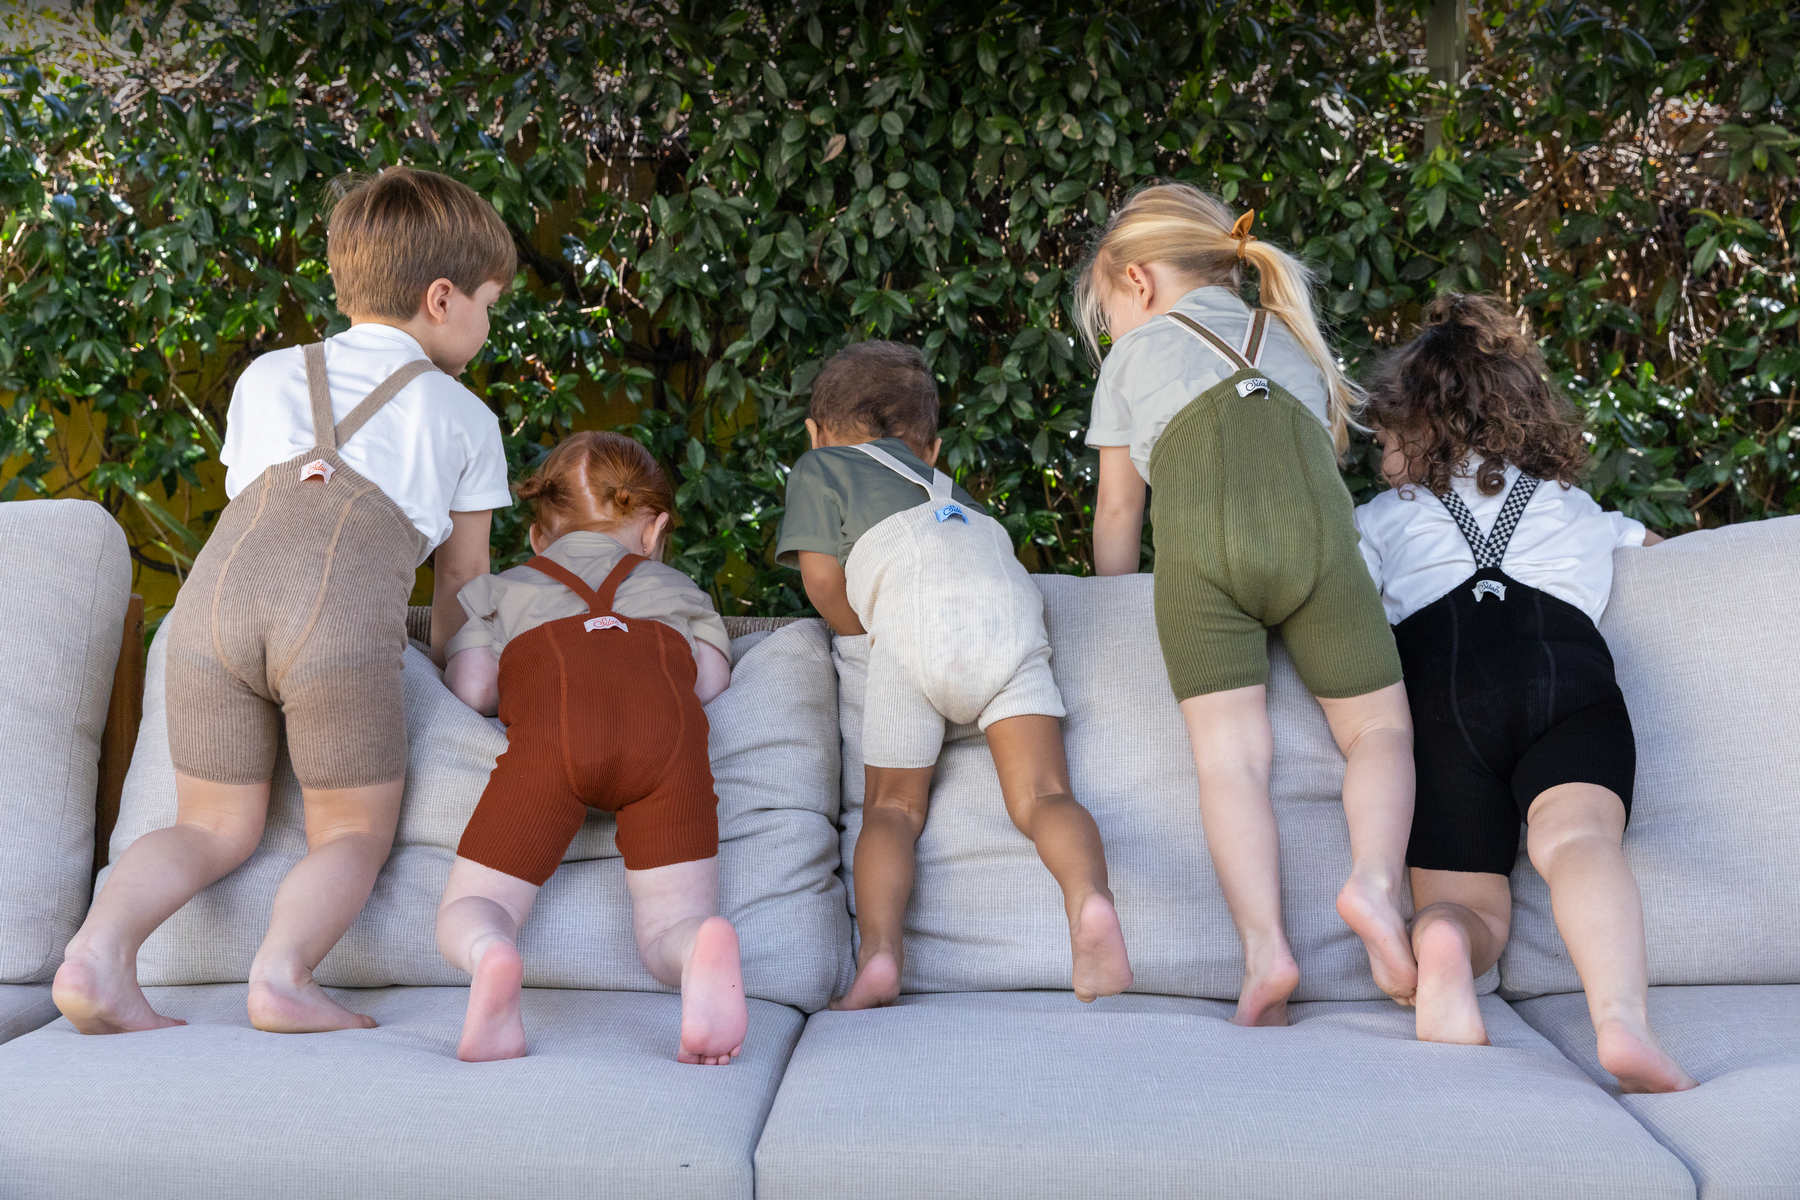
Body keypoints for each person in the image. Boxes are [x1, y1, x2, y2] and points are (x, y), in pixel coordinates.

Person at [55, 165, 514, 1035]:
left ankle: (95, 956)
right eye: (491, 305)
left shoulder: (267, 375)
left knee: (211, 826)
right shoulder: (464, 418)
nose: (489, 326)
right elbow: (463, 581)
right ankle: (282, 977)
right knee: (349, 834)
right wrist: (462, 675)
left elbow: (260, 513)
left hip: (208, 614)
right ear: (442, 299)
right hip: (333, 630)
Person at [1078, 182, 1416, 1026]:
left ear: (1138, 281)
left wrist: (1118, 602)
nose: (1113, 330)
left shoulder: (1134, 355)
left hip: (1205, 565)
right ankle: (1375, 886)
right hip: (1321, 556)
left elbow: (1118, 512)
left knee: (1230, 763)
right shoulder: (1295, 340)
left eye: (1108, 312)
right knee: (1380, 733)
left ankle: (1266, 951)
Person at [1355, 293, 1695, 1092]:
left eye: (1384, 440)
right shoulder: (1572, 507)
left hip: (1443, 702)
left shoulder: (1380, 520)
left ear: (1412, 429)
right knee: (1578, 843)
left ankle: (1445, 946)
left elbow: (1339, 614)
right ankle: (1622, 1022)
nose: (1380, 458)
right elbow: (1661, 549)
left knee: (1470, 907)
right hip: (1566, 680)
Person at [778, 340, 1132, 1010]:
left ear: (815, 434)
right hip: (1011, 618)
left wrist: (861, 640)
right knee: (1045, 796)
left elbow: (823, 579)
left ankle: (881, 956)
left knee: (892, 809)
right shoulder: (962, 500)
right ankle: (1090, 900)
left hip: (911, 626)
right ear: (932, 450)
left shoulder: (823, 466)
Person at [437, 431, 745, 1065]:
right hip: (666, 745)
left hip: (553, 745)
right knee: (666, 927)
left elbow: (472, 690)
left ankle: (491, 951)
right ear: (654, 531)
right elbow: (711, 682)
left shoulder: (501, 591)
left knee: (476, 905)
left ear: (538, 537)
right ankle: (696, 945)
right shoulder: (680, 591)